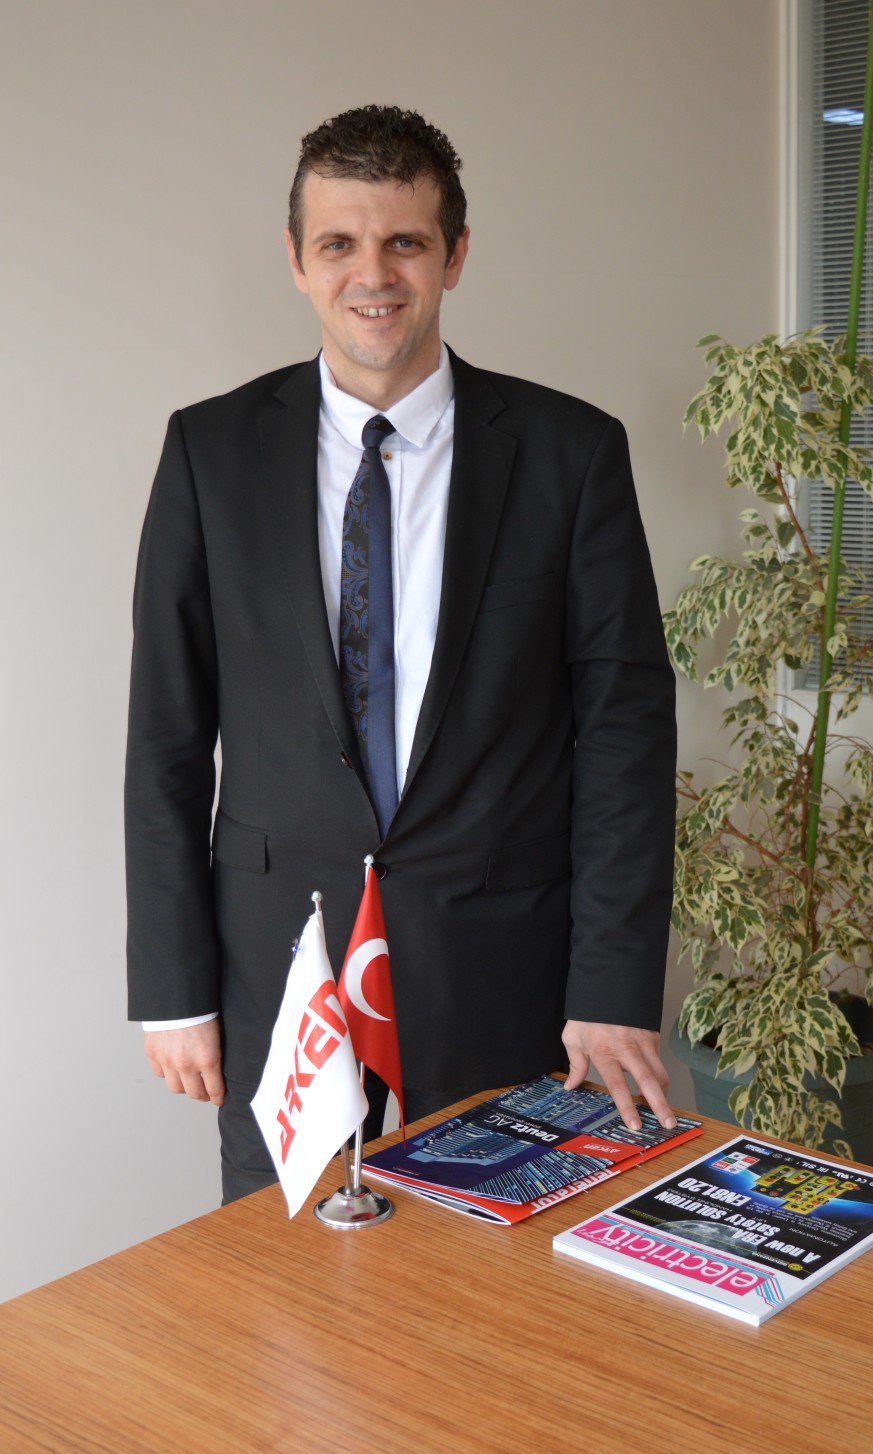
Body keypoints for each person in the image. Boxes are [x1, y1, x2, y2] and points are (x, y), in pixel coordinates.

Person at [126, 105, 677, 1201]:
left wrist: (612, 985)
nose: (372, 274)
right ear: (297, 260)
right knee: (287, 1273)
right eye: (339, 242)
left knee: (487, 1277)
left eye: (405, 242)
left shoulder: (571, 454)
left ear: (454, 255)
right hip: (278, 970)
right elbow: (167, 736)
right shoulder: (208, 451)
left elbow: (625, 735)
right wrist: (174, 987)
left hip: (501, 965)